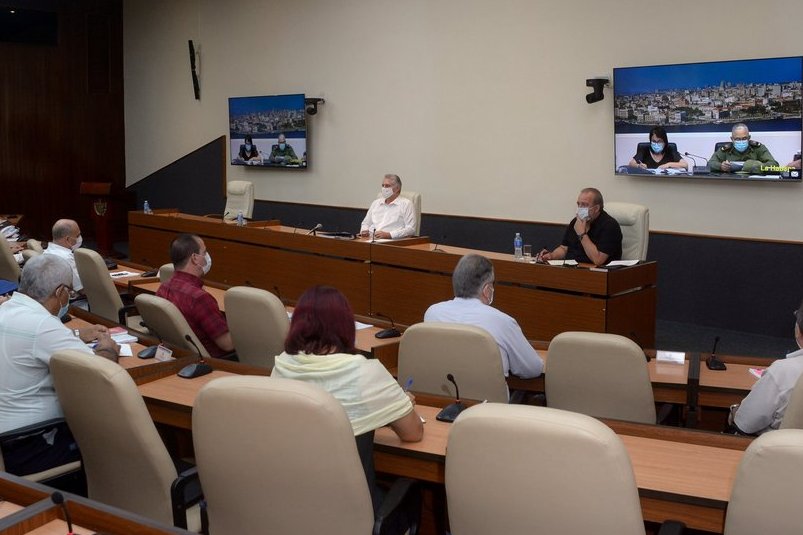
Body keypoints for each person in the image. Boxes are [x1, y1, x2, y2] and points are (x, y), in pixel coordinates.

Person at [0, 255, 119, 475]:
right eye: (70, 293)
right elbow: (101, 376)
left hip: (8, 439)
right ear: (60, 292)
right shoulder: (42, 324)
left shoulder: (6, 309)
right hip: (29, 444)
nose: (69, 298)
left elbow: (32, 340)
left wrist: (74, 333)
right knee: (115, 445)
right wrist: (107, 347)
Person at [272, 285, 423, 442]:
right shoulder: (366, 371)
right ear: (346, 325)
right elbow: (413, 433)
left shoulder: (282, 364)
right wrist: (397, 407)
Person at [424, 254, 544, 379]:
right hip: (489, 399)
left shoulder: (432, 313)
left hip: (440, 395)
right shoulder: (502, 321)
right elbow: (532, 369)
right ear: (487, 290)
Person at [730, 301, 803, 435]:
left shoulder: (782, 371)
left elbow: (745, 424)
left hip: (777, 452)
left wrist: (734, 412)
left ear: (798, 328)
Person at [156, 233, 234, 358]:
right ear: (194, 258)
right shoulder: (200, 298)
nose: (207, 257)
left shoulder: (163, 288)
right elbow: (227, 344)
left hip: (180, 356)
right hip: (214, 363)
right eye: (205, 252)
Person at [538, 188, 622, 266]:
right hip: (572, 268)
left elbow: (598, 260)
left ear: (596, 208)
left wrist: (582, 234)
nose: (580, 208)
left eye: (584, 205)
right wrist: (551, 255)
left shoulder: (610, 226)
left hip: (597, 274)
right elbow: (564, 248)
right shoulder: (575, 222)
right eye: (579, 204)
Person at [359, 174, 416, 239]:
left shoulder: (406, 204)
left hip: (391, 243)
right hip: (370, 240)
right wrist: (364, 231)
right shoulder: (376, 203)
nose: (384, 188)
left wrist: (389, 235)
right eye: (383, 185)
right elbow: (366, 223)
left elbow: (410, 229)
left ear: (397, 188)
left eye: (387, 186)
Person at [708, 123, 778, 174]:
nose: (741, 141)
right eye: (737, 139)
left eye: (744, 138)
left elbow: (775, 165)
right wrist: (721, 166)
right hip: (731, 184)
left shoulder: (758, 148)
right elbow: (710, 164)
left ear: (749, 138)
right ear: (732, 139)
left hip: (754, 184)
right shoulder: (725, 149)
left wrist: (759, 166)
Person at [42, 219, 84, 293]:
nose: (79, 238)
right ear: (67, 239)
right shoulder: (66, 258)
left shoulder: (46, 252)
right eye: (77, 236)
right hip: (75, 301)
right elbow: (82, 289)